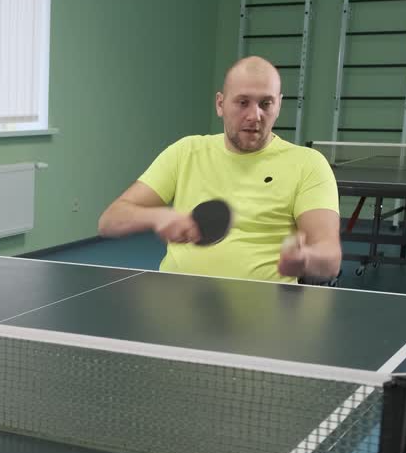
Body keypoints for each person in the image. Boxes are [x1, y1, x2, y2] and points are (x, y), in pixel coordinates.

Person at [98, 56, 341, 283]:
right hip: (177, 299)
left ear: (279, 105)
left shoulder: (308, 164)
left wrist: (304, 259)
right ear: (220, 104)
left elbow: (330, 258)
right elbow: (110, 220)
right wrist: (157, 216)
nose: (254, 115)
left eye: (266, 103)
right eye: (243, 102)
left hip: (263, 311)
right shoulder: (185, 152)